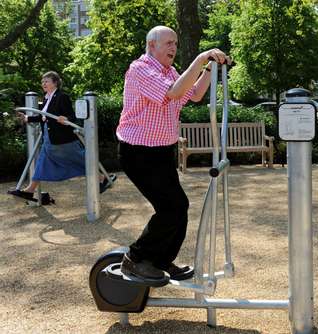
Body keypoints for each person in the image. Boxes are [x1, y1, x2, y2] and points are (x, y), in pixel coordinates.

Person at [116, 25, 230, 285]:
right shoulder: (140, 69)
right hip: (139, 151)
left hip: (162, 150)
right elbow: (174, 93)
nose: (173, 48)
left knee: (179, 206)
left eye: (175, 43)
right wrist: (201, 58)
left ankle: (160, 260)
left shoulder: (170, 72)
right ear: (151, 45)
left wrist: (210, 67)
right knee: (171, 207)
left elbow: (197, 94)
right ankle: (135, 258)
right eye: (168, 43)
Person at [8, 71, 114, 202]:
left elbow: (71, 116)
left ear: (55, 83)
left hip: (63, 139)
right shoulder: (47, 98)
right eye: (42, 81)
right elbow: (43, 117)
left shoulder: (62, 97)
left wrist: (66, 118)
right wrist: (27, 118)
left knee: (80, 160)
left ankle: (102, 179)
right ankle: (30, 190)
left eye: (46, 81)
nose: (43, 84)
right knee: (43, 162)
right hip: (50, 138)